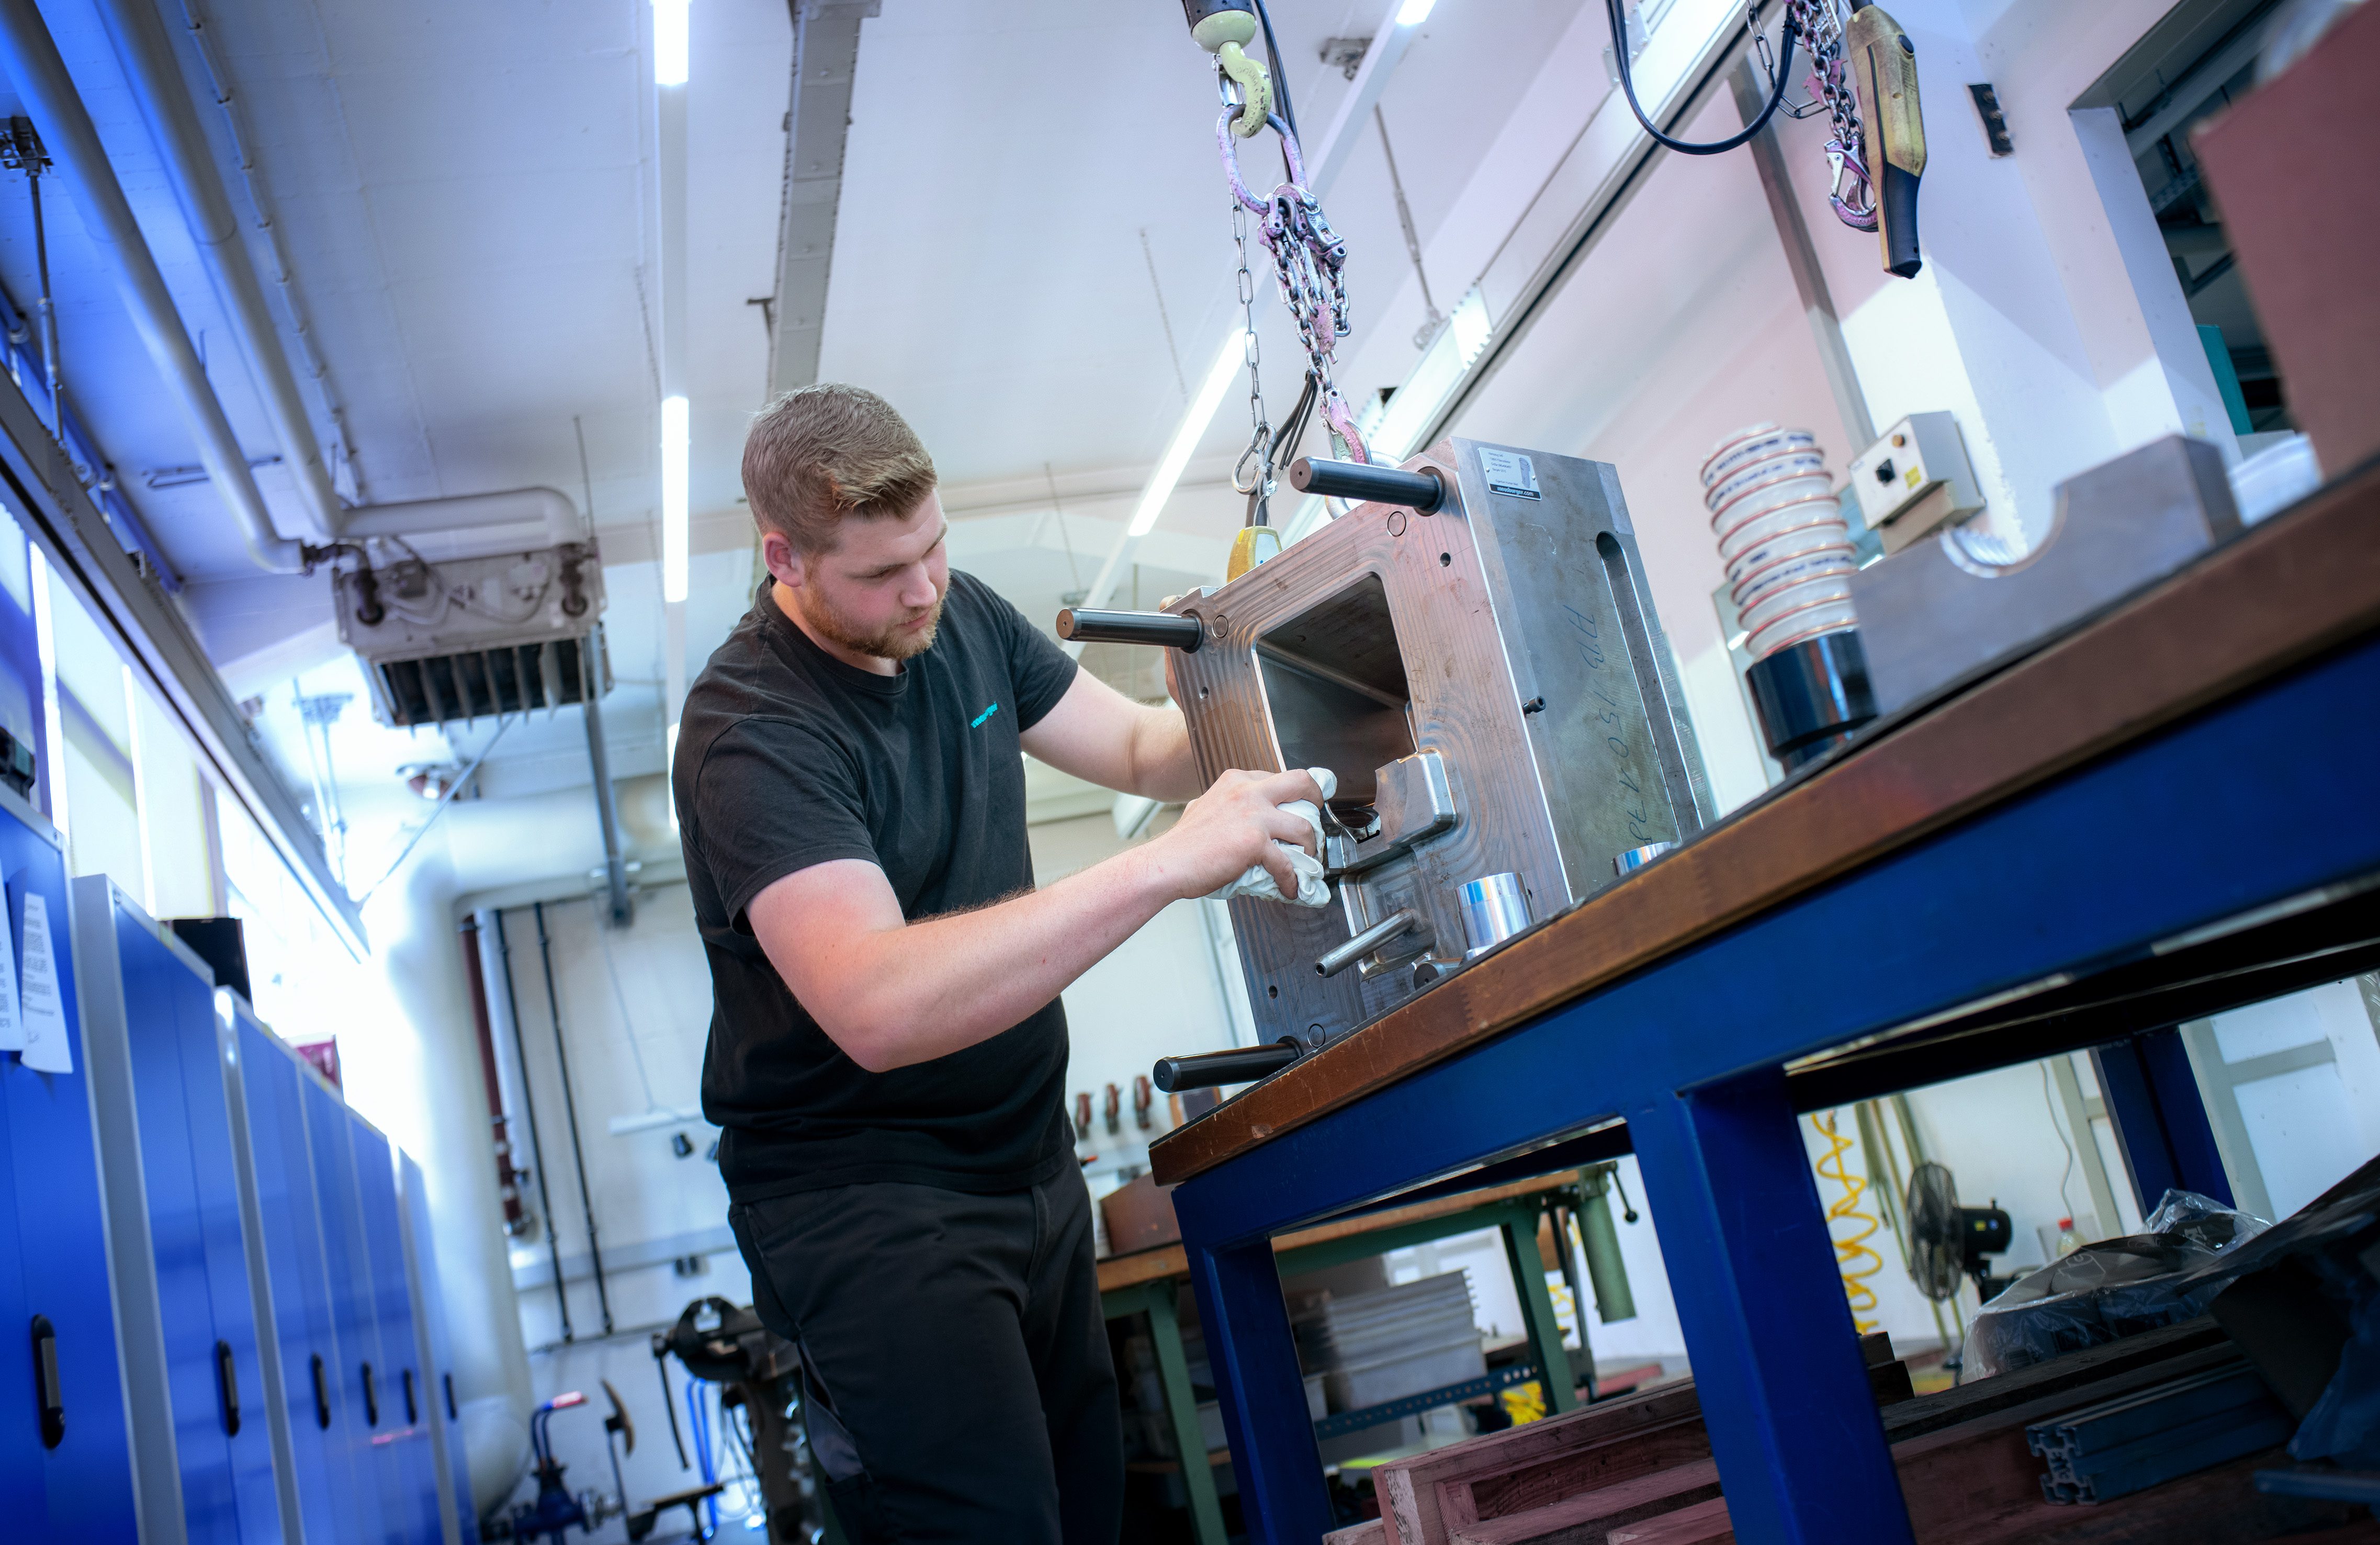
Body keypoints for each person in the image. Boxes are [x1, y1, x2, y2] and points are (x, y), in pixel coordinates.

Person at [673, 382, 1322, 1543]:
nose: (922, 590)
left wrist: (1218, 691)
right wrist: (1167, 867)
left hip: (1026, 1162)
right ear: (784, 555)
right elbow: (877, 1002)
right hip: (861, 1201)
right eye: (880, 574)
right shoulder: (753, 729)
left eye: (932, 549)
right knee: (984, 1526)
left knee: (1081, 1515)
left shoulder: (958, 616)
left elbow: (1138, 748)